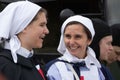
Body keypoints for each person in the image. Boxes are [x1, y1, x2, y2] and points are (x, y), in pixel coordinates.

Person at [0, 1, 49, 80]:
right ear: (24, 27)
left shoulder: (32, 61)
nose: (47, 31)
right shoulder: (5, 66)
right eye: (41, 25)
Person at [45, 15, 104, 80]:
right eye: (68, 36)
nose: (72, 42)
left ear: (89, 40)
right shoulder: (54, 68)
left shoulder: (99, 70)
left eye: (77, 37)